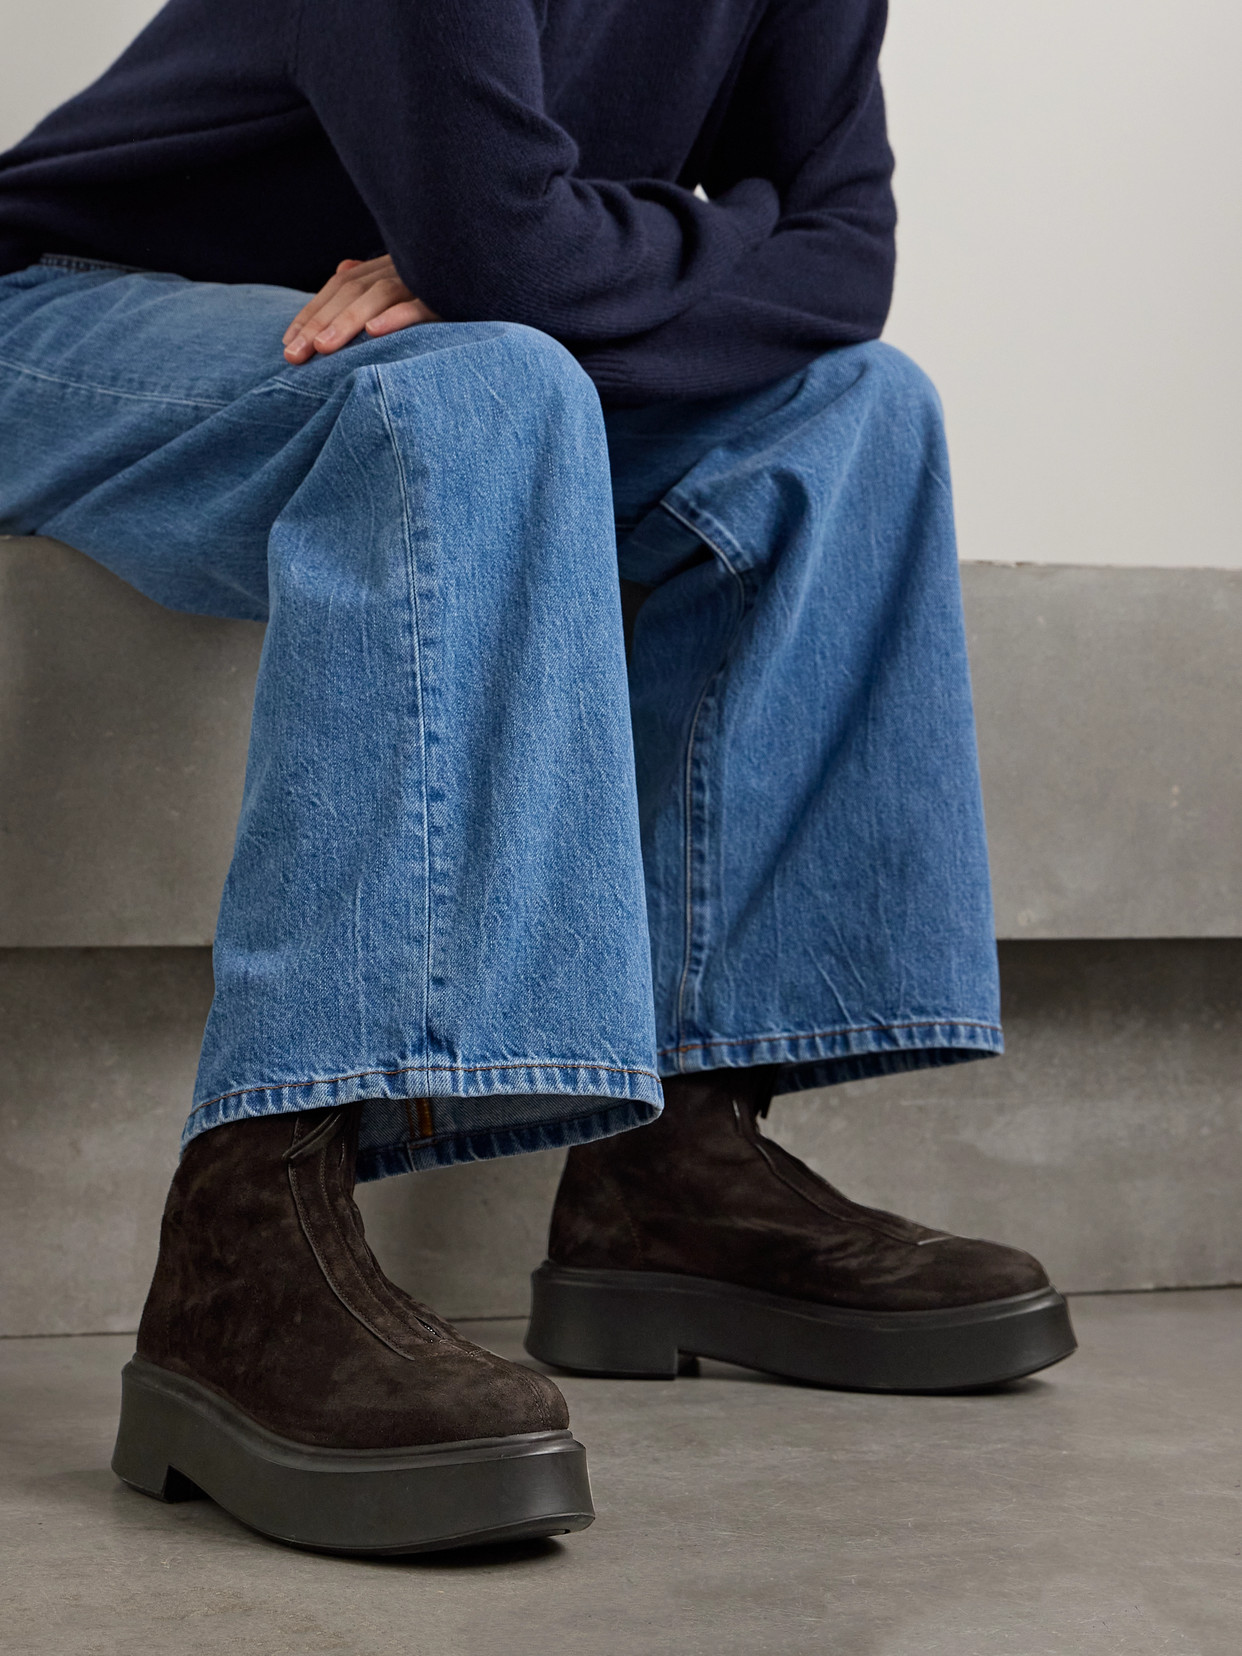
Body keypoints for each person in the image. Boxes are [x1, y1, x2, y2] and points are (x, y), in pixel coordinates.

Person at [0, 0, 1075, 1556]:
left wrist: (564, 245)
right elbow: (501, 258)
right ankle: (244, 1242)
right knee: (477, 381)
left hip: (407, 340)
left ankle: (675, 1168)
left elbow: (847, 265)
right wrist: (598, 250)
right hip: (64, 320)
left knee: (855, 414)